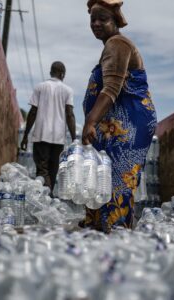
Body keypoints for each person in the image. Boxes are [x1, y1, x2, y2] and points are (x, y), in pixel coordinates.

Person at [80, 0, 157, 233]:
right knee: (103, 170)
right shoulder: (111, 45)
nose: (96, 23)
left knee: (118, 175)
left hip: (130, 123)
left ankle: (116, 228)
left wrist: (91, 121)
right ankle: (99, 221)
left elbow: (111, 89)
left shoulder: (117, 43)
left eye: (103, 19)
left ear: (115, 21)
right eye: (93, 19)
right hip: (118, 122)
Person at [21, 62, 76, 191]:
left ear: (51, 72)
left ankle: (45, 200)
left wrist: (25, 135)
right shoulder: (68, 90)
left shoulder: (40, 87)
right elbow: (70, 114)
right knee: (52, 171)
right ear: (62, 74)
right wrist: (74, 139)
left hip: (41, 136)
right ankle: (48, 199)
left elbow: (33, 112)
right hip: (58, 139)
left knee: (42, 170)